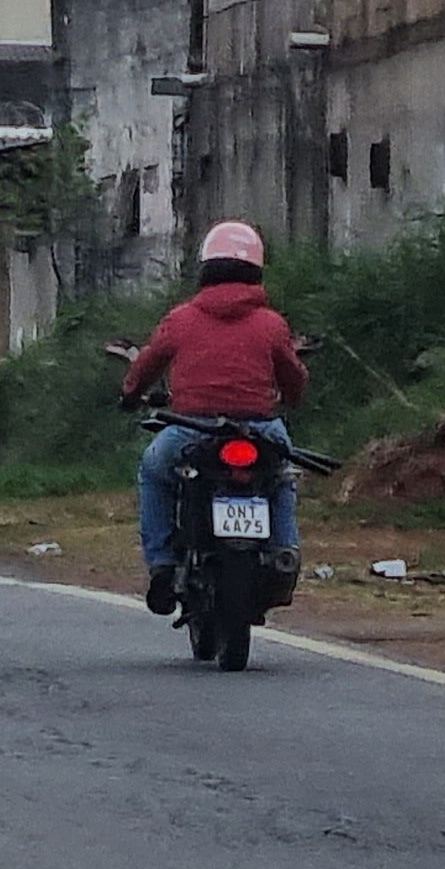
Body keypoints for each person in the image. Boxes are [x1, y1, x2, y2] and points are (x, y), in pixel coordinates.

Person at [121, 220, 308, 610]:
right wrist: (290, 397)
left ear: (205, 267)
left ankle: (161, 565)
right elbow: (294, 378)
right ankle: (284, 553)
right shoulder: (272, 324)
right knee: (281, 480)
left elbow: (147, 364)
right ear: (256, 270)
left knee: (154, 473)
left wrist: (130, 393)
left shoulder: (182, 319)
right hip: (261, 430)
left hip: (190, 429)